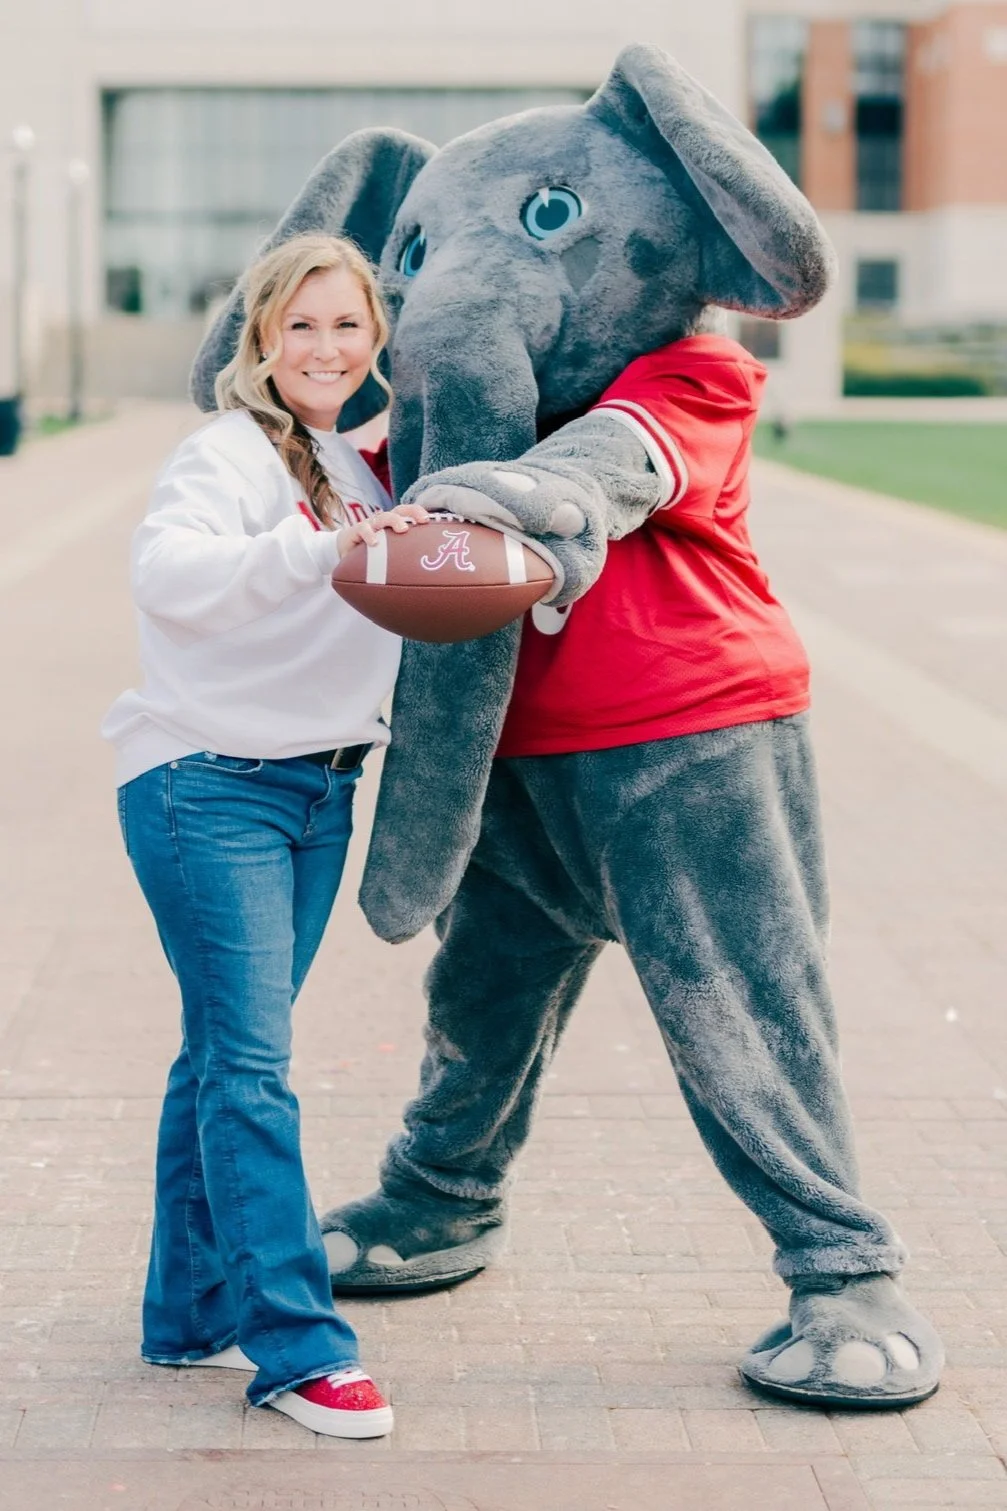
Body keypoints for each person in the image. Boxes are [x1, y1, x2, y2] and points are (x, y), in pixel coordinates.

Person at [102, 233, 428, 1439]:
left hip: (318, 791)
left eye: (345, 327)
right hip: (209, 787)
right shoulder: (224, 453)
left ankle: (186, 1310)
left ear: (373, 341)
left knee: (219, 1057)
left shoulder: (357, 465)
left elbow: (400, 592)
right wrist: (319, 546)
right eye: (301, 326)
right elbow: (169, 574)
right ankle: (296, 1346)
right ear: (258, 337)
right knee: (250, 1068)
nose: (325, 348)